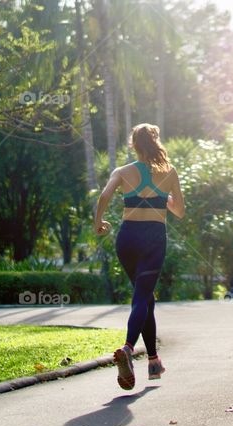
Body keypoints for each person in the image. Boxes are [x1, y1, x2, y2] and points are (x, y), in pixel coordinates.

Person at [94, 124, 186, 390]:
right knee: (141, 298)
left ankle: (154, 361)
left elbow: (104, 196)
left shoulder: (122, 172)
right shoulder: (169, 172)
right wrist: (163, 198)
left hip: (127, 239)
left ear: (133, 145)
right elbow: (179, 211)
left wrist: (98, 223)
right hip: (153, 240)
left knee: (145, 297)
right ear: (155, 143)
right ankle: (128, 348)